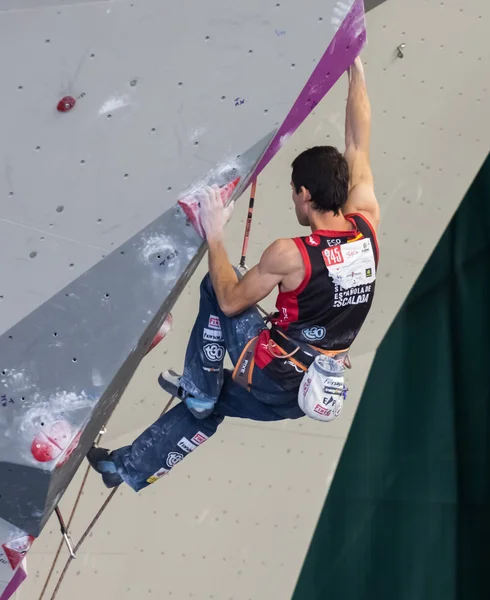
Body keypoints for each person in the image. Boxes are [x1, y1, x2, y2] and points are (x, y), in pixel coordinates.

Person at [87, 55, 380, 490]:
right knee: (212, 405)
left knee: (215, 285)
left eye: (293, 194)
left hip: (274, 372)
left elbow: (228, 301)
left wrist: (215, 233)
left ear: (303, 194)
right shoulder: (367, 223)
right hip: (305, 395)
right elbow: (358, 143)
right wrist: (356, 70)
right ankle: (125, 468)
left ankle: (200, 386)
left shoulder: (291, 253)